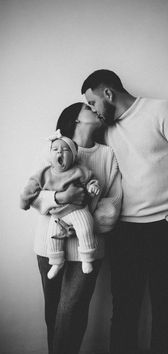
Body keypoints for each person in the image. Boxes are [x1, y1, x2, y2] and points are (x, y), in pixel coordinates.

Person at [81, 69, 168, 354]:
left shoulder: (163, 110)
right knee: (124, 307)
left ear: (108, 94)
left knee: (165, 305)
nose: (93, 110)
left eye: (93, 103)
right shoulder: (107, 129)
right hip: (124, 231)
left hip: (166, 226)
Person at [29, 102, 122, 354]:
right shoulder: (54, 147)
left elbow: (114, 202)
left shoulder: (107, 154)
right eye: (89, 107)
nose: (96, 109)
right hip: (49, 244)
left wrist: (84, 222)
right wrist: (62, 198)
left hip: (87, 247)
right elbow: (33, 196)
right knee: (53, 312)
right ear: (76, 120)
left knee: (72, 311)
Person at [20, 129, 100, 278]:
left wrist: (93, 187)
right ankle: (56, 262)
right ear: (50, 155)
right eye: (55, 150)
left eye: (65, 150)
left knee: (85, 228)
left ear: (74, 156)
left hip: (77, 209)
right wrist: (24, 200)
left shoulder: (79, 170)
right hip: (57, 213)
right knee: (53, 237)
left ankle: (87, 258)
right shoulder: (45, 173)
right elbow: (31, 186)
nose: (60, 153)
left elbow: (91, 180)